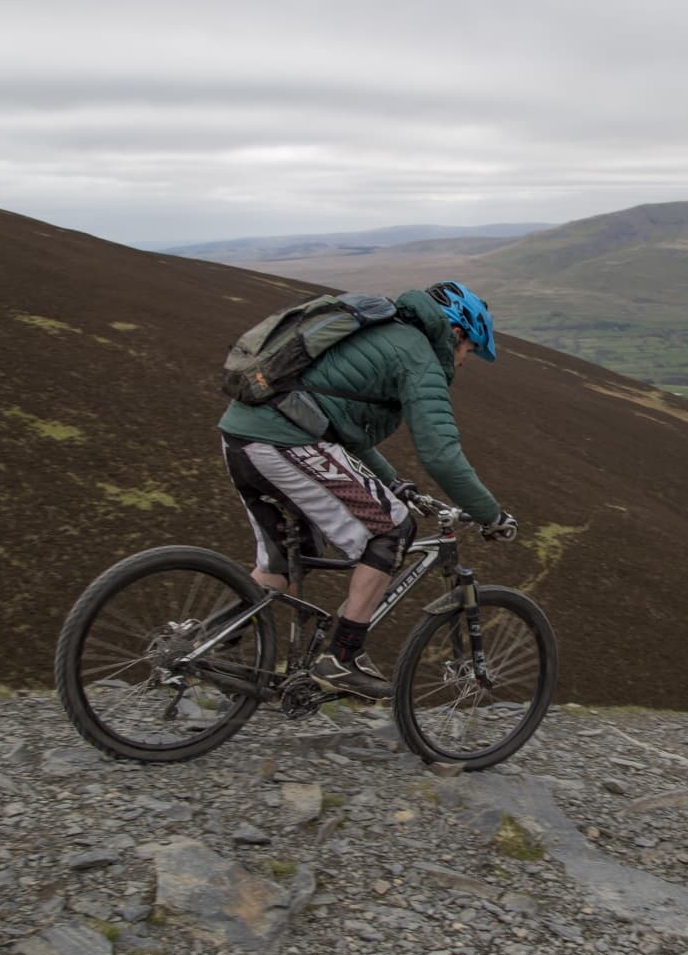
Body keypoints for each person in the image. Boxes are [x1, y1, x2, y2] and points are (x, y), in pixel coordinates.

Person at [218, 281, 516, 700]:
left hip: (242, 436)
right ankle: (342, 656)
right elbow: (441, 454)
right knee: (392, 529)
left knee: (281, 562)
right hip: (283, 441)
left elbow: (343, 431)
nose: (464, 363)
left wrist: (395, 483)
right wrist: (491, 515)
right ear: (455, 333)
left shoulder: (380, 331)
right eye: (469, 351)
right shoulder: (419, 355)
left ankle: (207, 648)